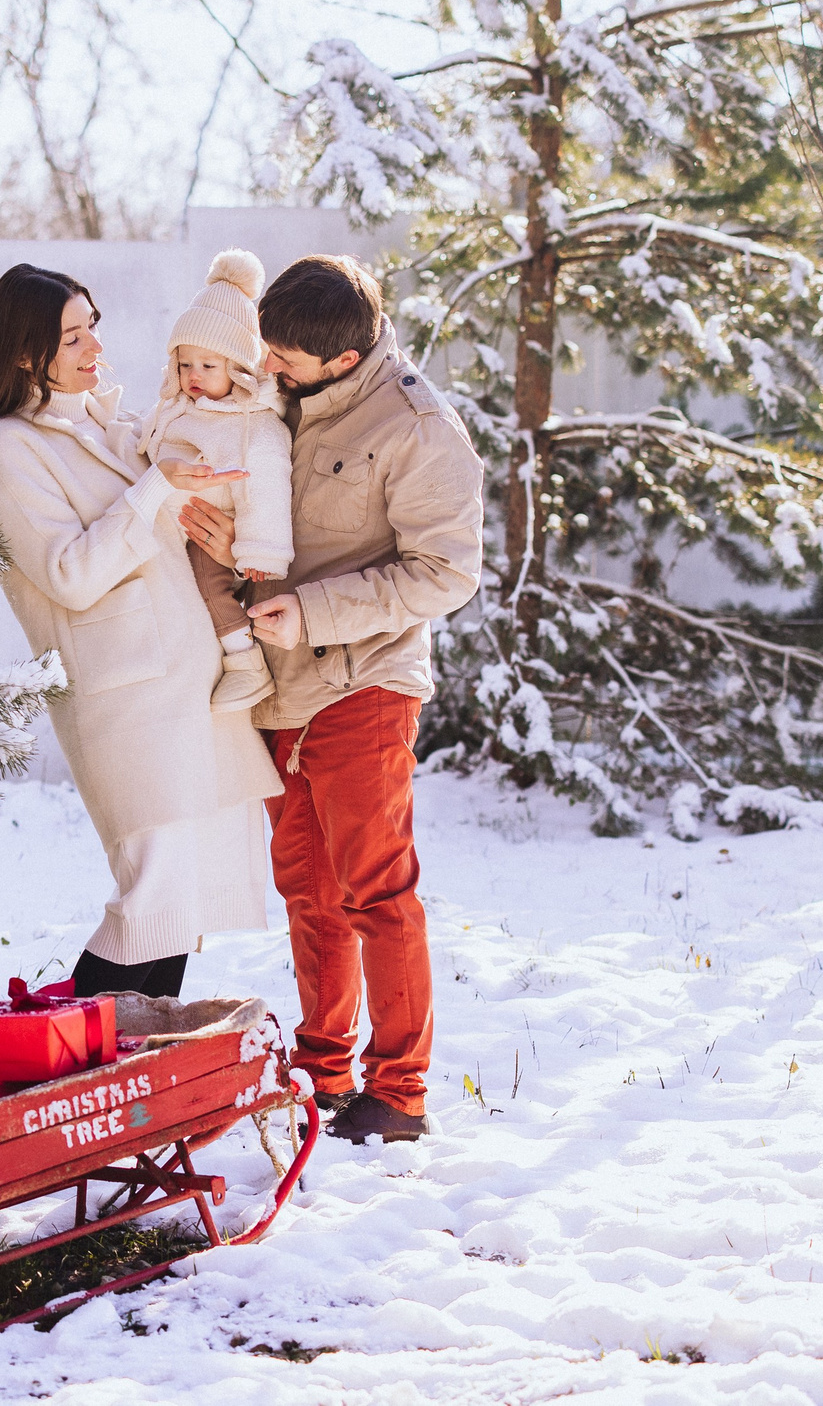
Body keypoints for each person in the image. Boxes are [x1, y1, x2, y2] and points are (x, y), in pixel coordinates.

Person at [179, 254, 484, 1144]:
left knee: (374, 891)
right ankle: (323, 1071)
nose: (267, 367)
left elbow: (446, 572)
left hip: (363, 680)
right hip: (281, 686)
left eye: (286, 360)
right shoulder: (276, 394)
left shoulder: (421, 429)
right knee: (308, 890)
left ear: (344, 361)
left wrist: (312, 611)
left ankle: (400, 1093)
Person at [0, 264, 283, 999]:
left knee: (184, 903)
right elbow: (68, 573)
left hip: (191, 683)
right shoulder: (9, 451)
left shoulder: (118, 422)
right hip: (127, 703)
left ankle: (132, 1080)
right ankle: (63, 1064)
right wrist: (158, 484)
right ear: (23, 353)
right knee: (154, 898)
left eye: (91, 324)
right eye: (72, 337)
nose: (94, 346)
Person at [134, 250, 294, 713]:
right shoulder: (177, 406)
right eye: (185, 365)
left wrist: (260, 550)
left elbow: (265, 488)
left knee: (210, 586)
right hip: (174, 526)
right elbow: (148, 439)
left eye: (209, 366)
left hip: (213, 529)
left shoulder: (255, 425)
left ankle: (246, 664)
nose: (194, 377)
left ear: (239, 368)